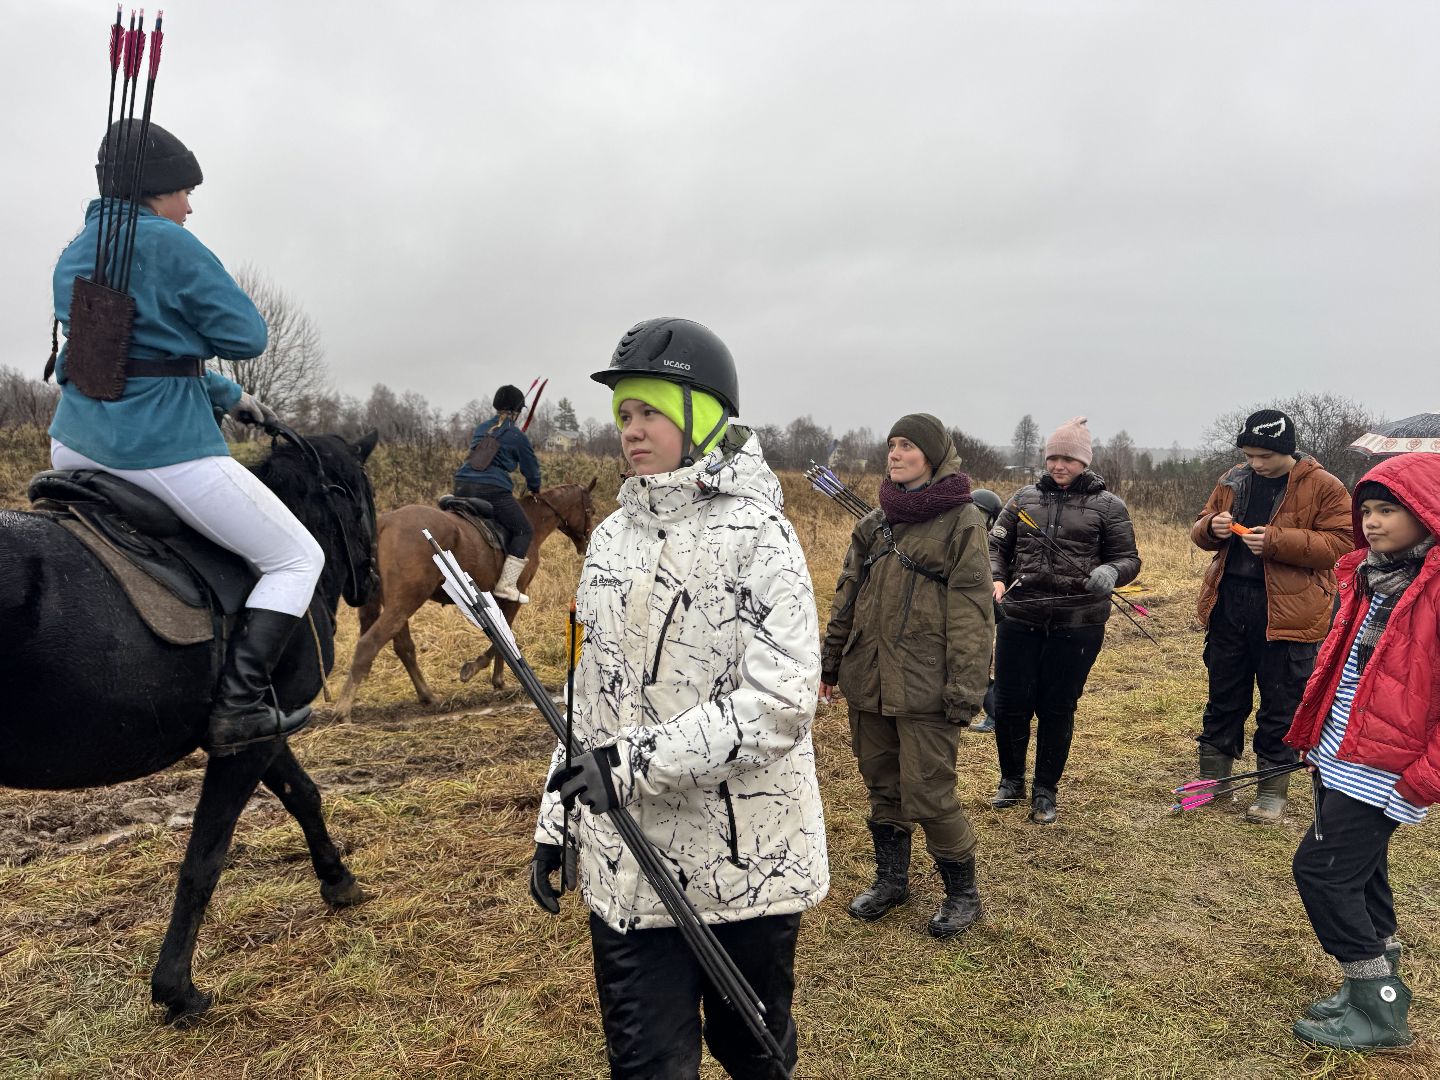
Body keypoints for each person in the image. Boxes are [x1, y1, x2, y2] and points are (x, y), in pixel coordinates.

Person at [528, 317, 828, 1079]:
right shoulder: (608, 539)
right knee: (646, 1065)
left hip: (741, 867)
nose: (632, 430)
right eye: (624, 414)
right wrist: (556, 815)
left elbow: (781, 702)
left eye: (651, 411)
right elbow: (585, 689)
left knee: (752, 1050)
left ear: (702, 414)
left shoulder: (763, 534)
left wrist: (624, 766)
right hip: (626, 866)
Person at [49, 120, 322, 755]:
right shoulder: (172, 245)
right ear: (154, 191)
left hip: (73, 444)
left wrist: (231, 395)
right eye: (183, 192)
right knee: (297, 558)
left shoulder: (74, 250)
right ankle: (240, 706)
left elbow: (125, 353)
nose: (190, 207)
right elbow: (247, 336)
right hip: (160, 448)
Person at [1283, 454, 1440, 1051]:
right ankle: (1375, 989)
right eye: (1366, 510)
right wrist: (1312, 737)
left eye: (1389, 509)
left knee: (1322, 874)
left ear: (1426, 513)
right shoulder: (1370, 575)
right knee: (1364, 875)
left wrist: (1424, 779)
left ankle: (1380, 1013)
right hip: (1341, 752)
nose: (1372, 522)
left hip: (1387, 771)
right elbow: (1341, 671)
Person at [820, 414, 992, 939]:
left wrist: (966, 688)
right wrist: (830, 662)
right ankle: (892, 881)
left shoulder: (963, 521)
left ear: (934, 457)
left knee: (931, 791)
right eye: (892, 445)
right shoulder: (875, 523)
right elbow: (846, 593)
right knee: (882, 783)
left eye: (908, 446)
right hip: (867, 678)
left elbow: (972, 610)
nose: (895, 454)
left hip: (926, 684)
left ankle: (962, 894)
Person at [1190, 409, 1352, 822]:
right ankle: (1213, 778)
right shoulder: (1233, 478)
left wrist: (1278, 541)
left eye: (1264, 456)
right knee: (1224, 694)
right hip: (1229, 605)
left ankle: (1271, 789)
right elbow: (1199, 527)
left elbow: (1344, 544)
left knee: (1281, 701)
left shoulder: (1324, 486)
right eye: (1249, 454)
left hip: (1290, 612)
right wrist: (1213, 527)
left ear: (1286, 450)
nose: (1256, 464)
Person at [988, 417, 1140, 825]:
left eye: (1068, 459)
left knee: (1057, 706)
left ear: (1084, 462)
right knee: (1010, 704)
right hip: (1019, 617)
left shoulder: (1110, 506)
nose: (1058, 465)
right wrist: (996, 580)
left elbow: (1129, 559)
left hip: (1079, 623)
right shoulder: (1022, 499)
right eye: (1053, 457)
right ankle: (1011, 780)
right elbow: (996, 546)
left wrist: (1111, 573)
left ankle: (1045, 789)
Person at [452, 384, 542, 603]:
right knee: (523, 530)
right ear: (517, 411)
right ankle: (506, 584)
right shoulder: (516, 435)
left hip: (461, 485)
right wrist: (534, 486)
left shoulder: (482, 428)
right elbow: (531, 468)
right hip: (491, 489)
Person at [967, 487, 1005, 735]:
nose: (974, 518)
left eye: (980, 513)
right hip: (962, 610)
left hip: (982, 613)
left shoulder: (996, 546)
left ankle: (996, 714)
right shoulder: (963, 537)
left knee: (978, 668)